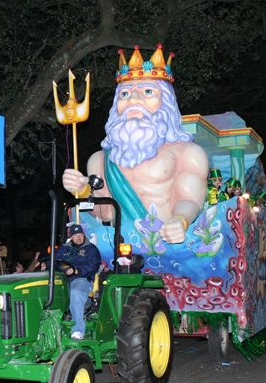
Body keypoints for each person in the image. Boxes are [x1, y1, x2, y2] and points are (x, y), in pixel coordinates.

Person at [62, 45, 209, 244]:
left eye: (148, 91)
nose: (133, 99)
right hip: (121, 246)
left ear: (166, 102)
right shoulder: (101, 160)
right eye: (124, 94)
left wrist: (179, 221)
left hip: (167, 245)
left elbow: (191, 199)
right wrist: (83, 189)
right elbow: (105, 212)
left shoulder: (188, 153)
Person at [47, 225, 101, 340]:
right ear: (71, 237)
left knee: (75, 291)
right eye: (76, 235)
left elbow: (93, 266)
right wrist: (43, 263)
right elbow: (52, 258)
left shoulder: (91, 249)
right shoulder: (63, 249)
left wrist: (78, 270)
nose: (79, 237)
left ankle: (78, 329)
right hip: (63, 279)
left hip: (82, 279)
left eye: (80, 235)